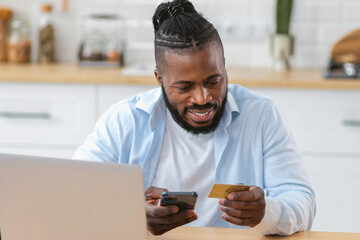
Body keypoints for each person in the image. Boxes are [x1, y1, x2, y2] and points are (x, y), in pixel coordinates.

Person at [73, 0, 316, 236]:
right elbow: (74, 192)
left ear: (224, 67)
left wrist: (266, 213)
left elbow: (302, 200)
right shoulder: (124, 120)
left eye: (213, 81)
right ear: (160, 80)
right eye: (185, 86)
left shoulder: (261, 116)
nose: (202, 98)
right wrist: (131, 213)